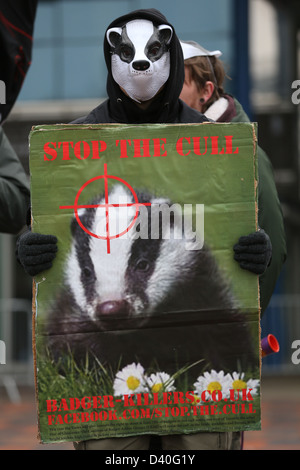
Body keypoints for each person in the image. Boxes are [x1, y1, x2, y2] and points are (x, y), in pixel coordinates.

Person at [17, 9, 273, 450]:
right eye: (126, 54)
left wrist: (256, 252)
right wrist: (33, 247)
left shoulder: (217, 144)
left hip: (197, 402)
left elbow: (257, 227)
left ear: (170, 52)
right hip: (111, 415)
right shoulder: (76, 146)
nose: (111, 303)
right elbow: (52, 226)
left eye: (152, 53)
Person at [179, 40, 287, 315]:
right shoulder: (173, 149)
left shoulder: (246, 155)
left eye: (177, 83)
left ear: (206, 92)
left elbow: (274, 247)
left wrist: (237, 330)